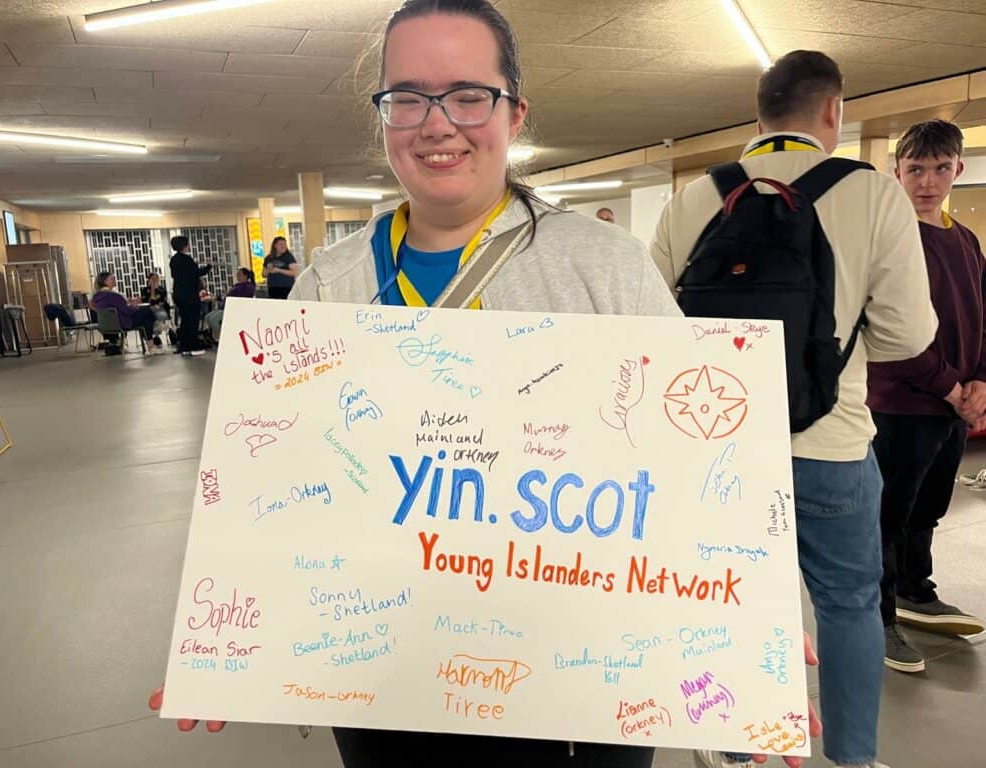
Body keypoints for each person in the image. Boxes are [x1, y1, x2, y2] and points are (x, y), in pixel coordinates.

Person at [150, 2, 820, 767]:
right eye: (408, 97)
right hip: (387, 674)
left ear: (514, 111)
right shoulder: (331, 288)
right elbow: (277, 480)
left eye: (468, 94)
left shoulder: (600, 268)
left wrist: (748, 644)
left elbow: (697, 468)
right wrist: (223, 640)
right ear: (383, 119)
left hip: (581, 683)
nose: (437, 123)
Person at [651, 51, 937, 768]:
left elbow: (651, 325)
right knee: (846, 604)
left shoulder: (694, 198)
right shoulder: (874, 193)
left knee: (731, 596)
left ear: (759, 114)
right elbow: (908, 334)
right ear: (832, 112)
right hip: (831, 445)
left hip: (717, 451)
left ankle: (739, 747)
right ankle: (852, 757)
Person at [866, 119, 986, 674]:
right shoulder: (891, 240)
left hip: (955, 405)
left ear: (958, 169)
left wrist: (979, 381)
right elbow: (889, 331)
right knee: (889, 515)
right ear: (897, 173)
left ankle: (917, 588)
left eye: (941, 168)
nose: (928, 181)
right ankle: (880, 614)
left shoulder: (965, 240)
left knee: (929, 509)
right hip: (901, 402)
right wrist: (951, 386)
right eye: (915, 169)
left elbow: (981, 319)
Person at [90, 271, 159, 353]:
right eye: (112, 278)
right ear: (105, 282)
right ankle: (155, 331)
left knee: (146, 319)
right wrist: (134, 307)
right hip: (122, 323)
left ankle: (152, 344)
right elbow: (127, 311)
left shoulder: (96, 297)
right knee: (147, 310)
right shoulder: (114, 296)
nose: (114, 279)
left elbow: (117, 308)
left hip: (106, 325)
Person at [169, 235, 210, 356]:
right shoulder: (187, 259)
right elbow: (197, 273)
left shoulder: (174, 260)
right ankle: (194, 346)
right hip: (189, 295)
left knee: (185, 320)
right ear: (184, 246)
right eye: (188, 244)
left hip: (178, 294)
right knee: (193, 320)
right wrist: (208, 267)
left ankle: (184, 347)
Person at [205, 267, 255, 341]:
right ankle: (214, 337)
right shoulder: (237, 285)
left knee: (213, 319)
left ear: (245, 276)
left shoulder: (248, 287)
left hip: (235, 309)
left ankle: (223, 337)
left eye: (239, 274)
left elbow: (238, 298)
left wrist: (228, 295)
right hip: (225, 307)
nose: (237, 276)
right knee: (208, 317)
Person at [140, 272, 174, 347]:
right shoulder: (145, 290)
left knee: (158, 315)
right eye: (153, 279)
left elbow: (163, 301)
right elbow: (148, 302)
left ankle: (155, 335)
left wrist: (157, 304)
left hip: (161, 309)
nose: (155, 280)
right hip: (150, 310)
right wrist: (152, 289)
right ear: (149, 280)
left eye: (157, 278)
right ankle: (157, 334)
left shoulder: (161, 289)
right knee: (149, 315)